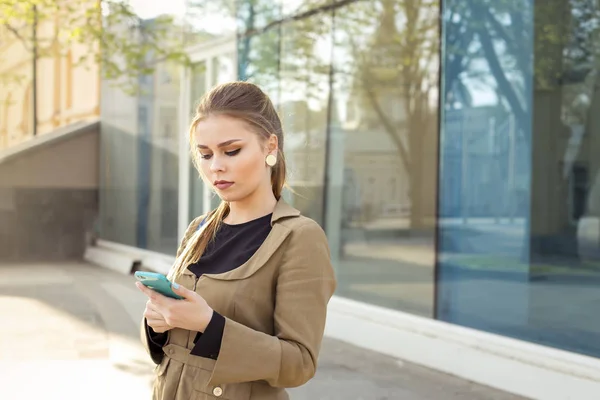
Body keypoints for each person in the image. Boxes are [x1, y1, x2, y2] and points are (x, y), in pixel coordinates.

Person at [136, 81, 337, 400]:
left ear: (270, 147)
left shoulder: (300, 238)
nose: (216, 166)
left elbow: (299, 363)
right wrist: (157, 324)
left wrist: (210, 324)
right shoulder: (199, 228)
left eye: (231, 151)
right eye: (205, 154)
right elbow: (172, 348)